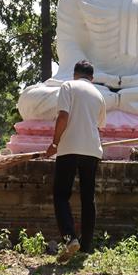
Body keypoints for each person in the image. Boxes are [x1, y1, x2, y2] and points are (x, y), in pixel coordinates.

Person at [45, 60, 107, 263]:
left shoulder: (68, 86)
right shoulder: (99, 94)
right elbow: (98, 125)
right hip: (91, 149)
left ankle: (70, 237)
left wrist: (54, 143)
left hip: (69, 147)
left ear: (74, 74)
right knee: (88, 198)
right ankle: (86, 246)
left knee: (61, 195)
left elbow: (63, 116)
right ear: (92, 78)